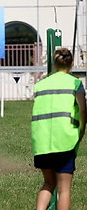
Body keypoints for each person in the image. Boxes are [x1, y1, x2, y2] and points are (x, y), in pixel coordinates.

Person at [31, 48, 86, 210]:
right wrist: (81, 130)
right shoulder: (75, 82)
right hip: (65, 141)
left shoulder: (40, 85)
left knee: (48, 184)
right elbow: (83, 109)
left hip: (42, 142)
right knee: (64, 190)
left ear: (54, 64)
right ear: (72, 64)